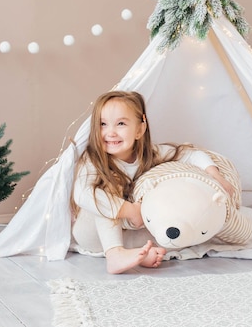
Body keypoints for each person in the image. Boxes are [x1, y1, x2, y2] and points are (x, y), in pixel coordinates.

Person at [71, 90, 236, 274]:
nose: (110, 132)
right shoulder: (93, 160)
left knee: (176, 235)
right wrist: (130, 210)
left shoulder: (152, 154)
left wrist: (216, 175)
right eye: (102, 124)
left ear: (140, 130)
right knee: (107, 187)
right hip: (92, 234)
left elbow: (190, 154)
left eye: (121, 124)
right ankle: (115, 254)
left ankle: (138, 254)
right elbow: (82, 194)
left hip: (133, 233)